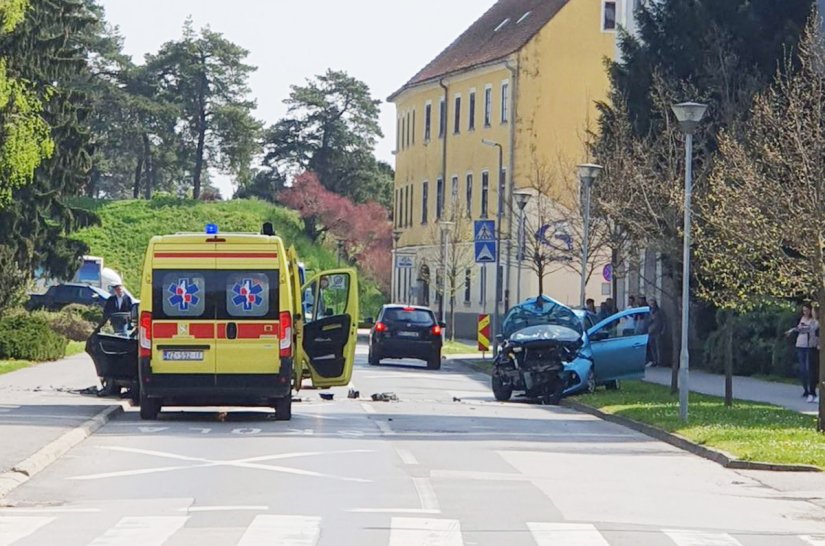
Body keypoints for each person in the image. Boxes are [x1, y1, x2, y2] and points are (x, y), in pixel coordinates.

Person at [98, 283, 133, 396]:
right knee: (116, 334)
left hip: (124, 322)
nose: (119, 291)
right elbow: (107, 311)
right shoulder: (112, 299)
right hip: (115, 322)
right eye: (117, 290)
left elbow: (131, 311)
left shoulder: (128, 299)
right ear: (115, 291)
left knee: (123, 333)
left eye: (120, 289)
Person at [786, 303, 819, 402]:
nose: (805, 312)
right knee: (803, 369)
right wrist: (792, 330)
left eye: (807, 310)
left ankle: (812, 391)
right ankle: (807, 390)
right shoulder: (803, 319)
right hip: (802, 344)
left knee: (810, 369)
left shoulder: (814, 321)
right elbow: (801, 328)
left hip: (809, 346)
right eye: (804, 310)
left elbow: (809, 330)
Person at [647, 298, 667, 367]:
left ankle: (659, 362)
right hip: (650, 331)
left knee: (658, 347)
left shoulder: (659, 311)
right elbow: (648, 321)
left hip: (658, 332)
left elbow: (664, 321)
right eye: (651, 303)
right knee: (652, 347)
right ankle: (654, 360)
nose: (652, 305)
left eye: (653, 303)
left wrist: (663, 330)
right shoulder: (649, 311)